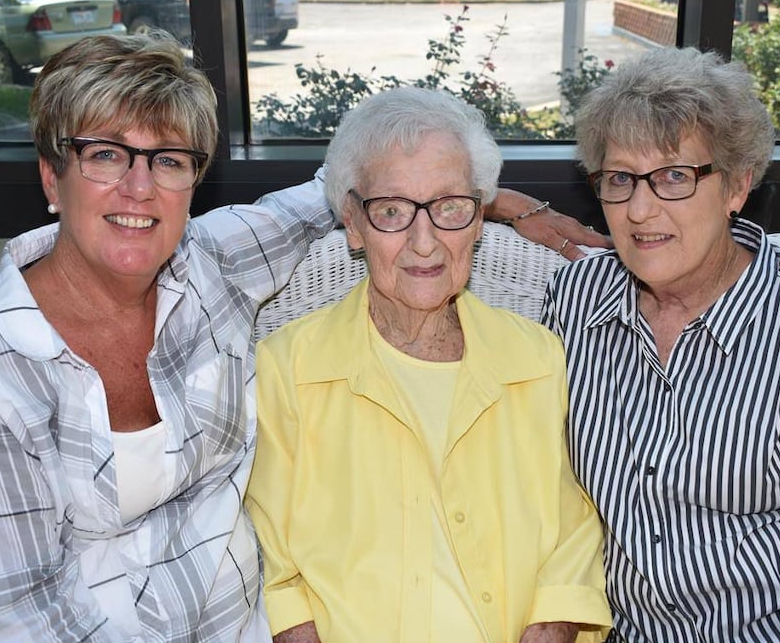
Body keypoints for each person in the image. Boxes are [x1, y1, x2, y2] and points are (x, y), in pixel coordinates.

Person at [0, 32, 604, 641]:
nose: (140, 189)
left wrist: (492, 198)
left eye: (169, 160)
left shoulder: (212, 265)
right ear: (53, 176)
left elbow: (362, 177)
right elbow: (23, 620)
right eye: (108, 155)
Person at [245, 87, 613, 643]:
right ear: (353, 222)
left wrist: (554, 621)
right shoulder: (286, 369)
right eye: (392, 211)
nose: (425, 243)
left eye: (449, 209)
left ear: (478, 218)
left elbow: (576, 528)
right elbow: (269, 562)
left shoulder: (538, 358)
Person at [539, 47, 780, 641]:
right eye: (620, 179)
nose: (641, 210)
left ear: (737, 186)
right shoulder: (574, 300)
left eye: (675, 176)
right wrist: (509, 205)